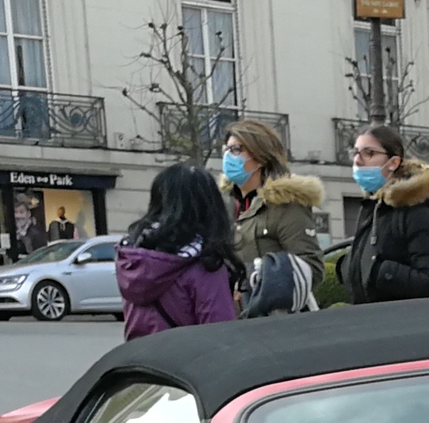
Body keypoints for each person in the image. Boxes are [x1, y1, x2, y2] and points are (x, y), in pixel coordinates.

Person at [116, 162, 239, 338]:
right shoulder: (206, 264)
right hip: (188, 363)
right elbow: (221, 338)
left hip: (140, 362)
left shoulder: (134, 257)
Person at [341, 124, 429, 304]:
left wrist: (380, 271)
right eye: (355, 153)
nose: (358, 161)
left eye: (369, 153)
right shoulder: (372, 208)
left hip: (402, 325)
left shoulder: (415, 212)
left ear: (393, 163)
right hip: (372, 323)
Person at [221, 117, 324, 298]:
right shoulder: (222, 204)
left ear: (260, 158)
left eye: (236, 150)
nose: (228, 157)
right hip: (231, 317)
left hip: (273, 317)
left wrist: (256, 281)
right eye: (226, 150)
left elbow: (310, 268)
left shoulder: (285, 204)